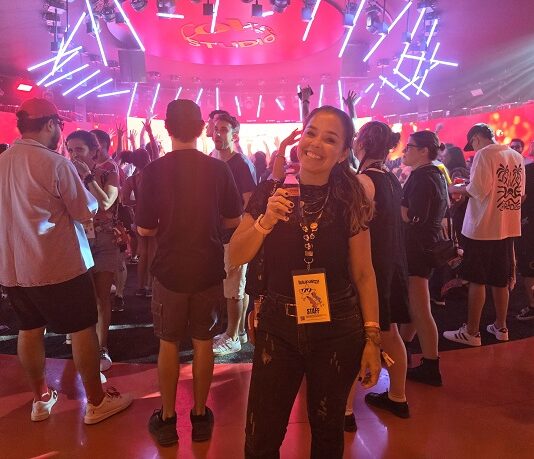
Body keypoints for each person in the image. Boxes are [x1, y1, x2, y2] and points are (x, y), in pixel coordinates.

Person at [229, 106, 381, 458]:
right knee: (261, 434)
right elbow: (236, 254)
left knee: (328, 431)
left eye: (329, 139)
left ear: (343, 153)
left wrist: (372, 338)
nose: (315, 144)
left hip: (338, 326)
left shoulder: (349, 197)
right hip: (278, 326)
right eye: (311, 133)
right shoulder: (270, 191)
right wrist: (266, 221)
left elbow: (364, 272)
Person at [0, 98, 132, 424]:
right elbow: (85, 209)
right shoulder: (56, 163)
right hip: (57, 264)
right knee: (83, 328)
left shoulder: (3, 161)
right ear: (50, 125)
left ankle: (41, 399)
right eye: (59, 125)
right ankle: (97, 402)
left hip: (14, 266)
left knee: (29, 329)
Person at [135, 100, 242, 446]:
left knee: (168, 343)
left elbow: (145, 229)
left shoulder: (153, 171)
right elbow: (234, 219)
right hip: (208, 269)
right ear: (201, 129)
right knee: (203, 342)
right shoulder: (218, 169)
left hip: (169, 270)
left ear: (167, 128)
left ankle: (167, 418)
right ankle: (199, 415)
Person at [344, 121, 411, 431]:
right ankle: (398, 396)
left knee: (357, 337)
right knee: (390, 331)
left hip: (371, 267)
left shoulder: (363, 181)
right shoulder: (391, 178)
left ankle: (345, 411)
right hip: (393, 264)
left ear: (361, 144)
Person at [444, 124, 525, 345]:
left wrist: (454, 189)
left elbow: (477, 190)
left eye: (473, 143)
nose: (473, 148)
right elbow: (519, 193)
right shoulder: (515, 156)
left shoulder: (484, 154)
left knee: (476, 279)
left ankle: (471, 332)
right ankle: (501, 327)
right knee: (500, 280)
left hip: (482, 228)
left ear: (476, 138)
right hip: (507, 226)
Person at [66, 130, 120, 372]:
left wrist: (88, 177)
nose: (74, 155)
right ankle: (83, 343)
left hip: (105, 240)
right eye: (70, 149)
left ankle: (101, 347)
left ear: (94, 151)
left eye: (79, 149)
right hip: (77, 240)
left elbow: (106, 203)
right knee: (81, 297)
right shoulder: (65, 174)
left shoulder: (109, 172)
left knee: (101, 297)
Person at [400, 130, 448, 386]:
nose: (404, 151)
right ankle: (405, 346)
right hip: (425, 247)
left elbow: (415, 217)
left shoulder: (421, 177)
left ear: (423, 151)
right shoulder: (436, 174)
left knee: (421, 309)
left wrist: (397, 207)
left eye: (409, 147)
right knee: (417, 305)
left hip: (417, 249)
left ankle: (431, 365)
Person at [211, 113, 257, 356]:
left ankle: (233, 336)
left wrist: (242, 232)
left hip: (235, 234)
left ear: (234, 135)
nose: (217, 133)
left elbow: (250, 202)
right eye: (215, 128)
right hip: (223, 234)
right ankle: (237, 331)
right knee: (236, 285)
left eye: (223, 129)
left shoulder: (240, 164)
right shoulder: (217, 161)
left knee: (234, 287)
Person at [122, 148, 156, 298]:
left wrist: (137, 204)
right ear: (148, 158)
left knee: (143, 253)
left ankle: (141, 287)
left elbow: (124, 200)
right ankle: (150, 286)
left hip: (139, 218)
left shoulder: (132, 180)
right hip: (154, 218)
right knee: (153, 251)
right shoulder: (155, 177)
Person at [516, 158, 534, 320]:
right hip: (528, 223)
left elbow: (520, 198)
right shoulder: (527, 169)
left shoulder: (528, 170)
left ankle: (533, 306)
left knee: (529, 268)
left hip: (528, 225)